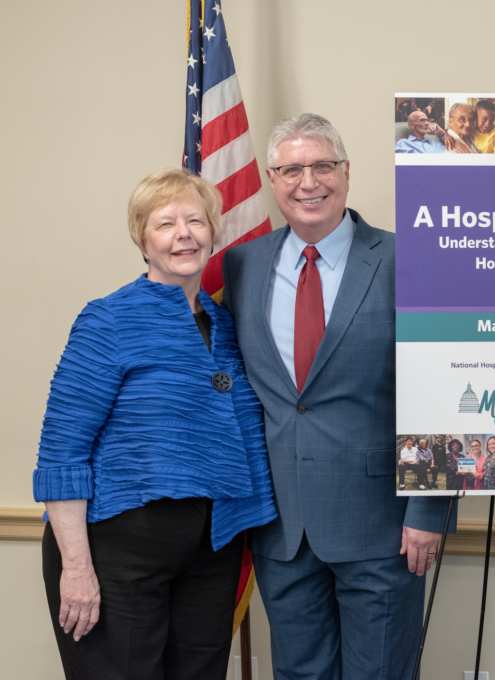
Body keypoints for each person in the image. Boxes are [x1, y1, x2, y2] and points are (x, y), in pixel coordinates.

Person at [221, 113, 451, 680]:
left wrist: (429, 510)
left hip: (385, 527)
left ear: (346, 174)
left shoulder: (408, 259)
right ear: (272, 181)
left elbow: (440, 386)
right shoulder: (242, 264)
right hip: (281, 528)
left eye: (322, 165)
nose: (309, 182)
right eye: (292, 169)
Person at [33, 168, 277, 679]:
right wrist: (77, 569)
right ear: (142, 238)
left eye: (196, 220)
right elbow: (62, 452)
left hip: (214, 546)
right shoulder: (108, 319)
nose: (183, 234)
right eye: (165, 223)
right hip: (117, 548)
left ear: (214, 232)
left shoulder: (229, 325)